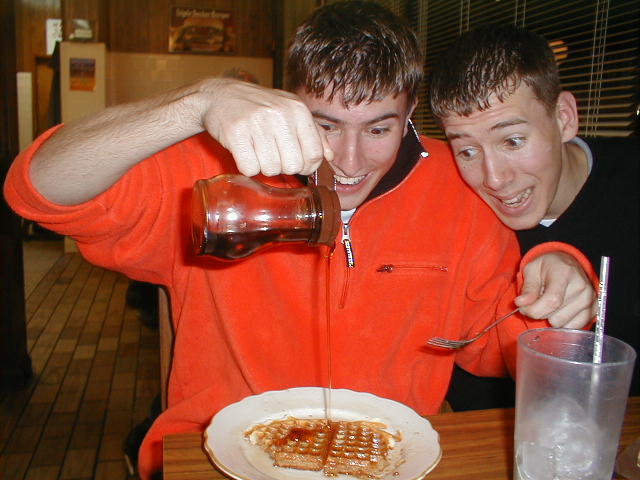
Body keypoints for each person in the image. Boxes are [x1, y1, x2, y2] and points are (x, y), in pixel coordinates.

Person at [4, 3, 596, 478]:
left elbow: (494, 342)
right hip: (212, 454)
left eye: (380, 128)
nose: (348, 161)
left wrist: (553, 276)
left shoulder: (458, 185)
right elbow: (38, 190)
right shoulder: (212, 169)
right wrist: (198, 103)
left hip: (387, 460)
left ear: (412, 112)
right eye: (325, 124)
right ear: (287, 102)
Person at [429, 24, 639, 410]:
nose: (494, 179)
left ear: (563, 117)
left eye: (512, 140)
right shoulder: (458, 210)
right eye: (468, 151)